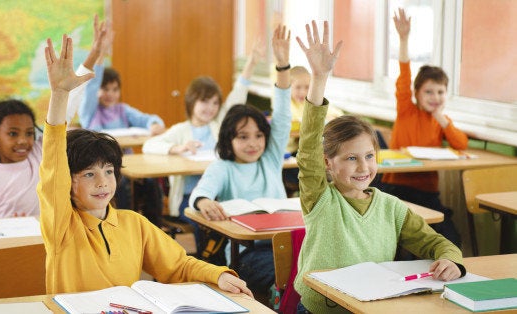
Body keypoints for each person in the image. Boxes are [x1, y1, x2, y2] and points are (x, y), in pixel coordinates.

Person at [38, 33, 253, 298]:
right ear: (68, 181)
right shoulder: (62, 225)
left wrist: (217, 274)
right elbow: (53, 168)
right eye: (89, 174)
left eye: (108, 172)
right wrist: (60, 95)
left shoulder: (134, 225)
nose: (102, 182)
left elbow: (178, 265)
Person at [291, 20, 465, 313]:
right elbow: (308, 146)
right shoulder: (319, 199)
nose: (363, 167)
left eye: (369, 156)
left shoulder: (391, 208)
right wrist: (319, 78)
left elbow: (437, 243)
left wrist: (452, 261)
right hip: (323, 310)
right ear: (327, 163)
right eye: (350, 158)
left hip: (371, 309)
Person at [187, 24, 292, 294]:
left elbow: (281, 117)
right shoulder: (223, 167)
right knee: (284, 276)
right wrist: (205, 201)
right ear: (228, 140)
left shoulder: (269, 160)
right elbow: (199, 195)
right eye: (243, 137)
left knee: (307, 272)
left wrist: (282, 66)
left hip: (284, 243)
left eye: (258, 135)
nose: (253, 143)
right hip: (243, 255)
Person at [142, 40, 265, 254]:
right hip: (189, 198)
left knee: (232, 217)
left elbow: (238, 94)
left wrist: (252, 63)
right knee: (204, 221)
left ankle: (229, 257)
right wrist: (177, 148)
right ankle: (204, 260)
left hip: (219, 195)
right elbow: (149, 145)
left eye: (215, 103)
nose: (210, 108)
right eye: (204, 102)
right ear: (191, 102)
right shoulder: (181, 130)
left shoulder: (219, 125)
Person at [380, 8, 468, 247]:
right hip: (397, 189)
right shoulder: (406, 109)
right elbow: (404, 76)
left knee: (450, 239)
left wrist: (442, 119)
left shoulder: (441, 120)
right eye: (428, 91)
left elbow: (461, 144)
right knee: (405, 243)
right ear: (416, 94)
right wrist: (404, 39)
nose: (435, 97)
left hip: (428, 194)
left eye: (440, 92)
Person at [75, 26, 166, 228]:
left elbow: (150, 118)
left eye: (115, 90)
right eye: (105, 89)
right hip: (105, 167)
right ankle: (123, 226)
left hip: (131, 164)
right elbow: (91, 86)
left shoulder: (123, 110)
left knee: (151, 183)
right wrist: (100, 54)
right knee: (121, 184)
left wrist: (154, 124)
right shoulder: (90, 111)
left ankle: (154, 229)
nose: (110, 94)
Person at [283, 65, 343, 195]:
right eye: (298, 87)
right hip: (292, 153)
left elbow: (336, 114)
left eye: (307, 87)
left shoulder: (310, 101)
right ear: (288, 88)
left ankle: (333, 182)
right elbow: (301, 122)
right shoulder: (287, 105)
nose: (303, 92)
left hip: (311, 149)